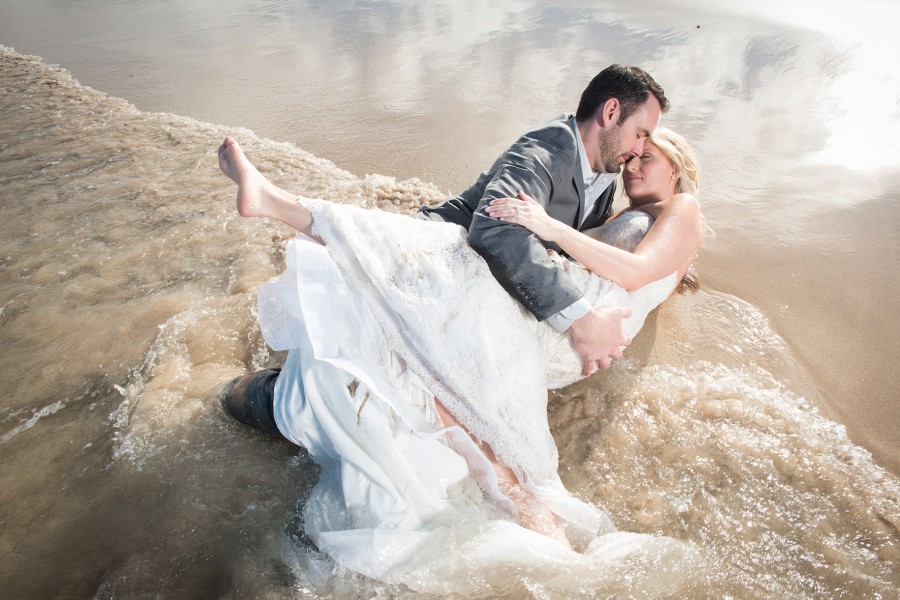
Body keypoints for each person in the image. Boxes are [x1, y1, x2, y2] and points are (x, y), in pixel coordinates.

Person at [216, 118, 703, 589]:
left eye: (648, 154)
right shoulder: (626, 219)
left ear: (676, 169)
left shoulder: (682, 208)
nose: (634, 162)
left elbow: (636, 273)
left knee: (437, 267)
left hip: (574, 327)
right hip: (566, 325)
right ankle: (545, 535)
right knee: (438, 368)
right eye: (634, 152)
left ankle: (283, 207)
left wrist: (549, 228)